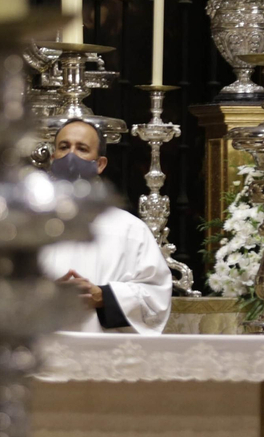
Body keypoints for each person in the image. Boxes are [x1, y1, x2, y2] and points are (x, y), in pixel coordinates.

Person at [40, 119, 173, 334]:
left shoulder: (130, 230)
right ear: (53, 157)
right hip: (36, 352)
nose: (70, 156)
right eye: (64, 147)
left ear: (100, 164)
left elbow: (156, 298)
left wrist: (103, 296)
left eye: (82, 149)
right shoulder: (26, 223)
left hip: (101, 354)